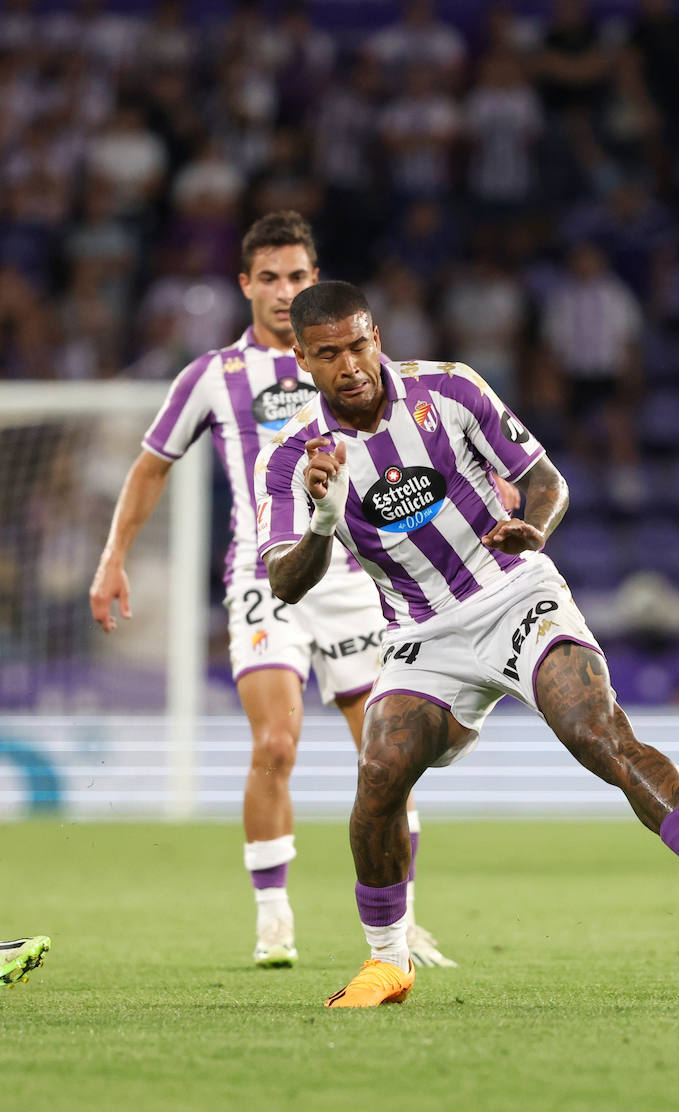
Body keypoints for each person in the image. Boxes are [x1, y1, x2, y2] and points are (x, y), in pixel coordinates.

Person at [254, 281, 679, 1008]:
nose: (352, 365)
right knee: (379, 774)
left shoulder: (451, 390)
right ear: (303, 360)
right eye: (330, 354)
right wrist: (320, 519)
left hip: (514, 594)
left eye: (361, 343)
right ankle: (389, 962)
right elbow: (283, 583)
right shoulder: (290, 460)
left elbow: (544, 480)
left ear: (378, 334)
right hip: (421, 633)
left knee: (595, 731)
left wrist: (535, 525)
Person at [88, 212, 454, 970]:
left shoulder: (351, 363)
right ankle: (274, 920)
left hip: (353, 579)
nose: (286, 291)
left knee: (385, 758)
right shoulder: (214, 376)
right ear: (246, 284)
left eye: (298, 276)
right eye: (271, 277)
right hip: (266, 578)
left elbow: (416, 446)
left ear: (315, 279)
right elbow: (153, 463)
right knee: (275, 743)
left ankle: (404, 922)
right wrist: (113, 555)